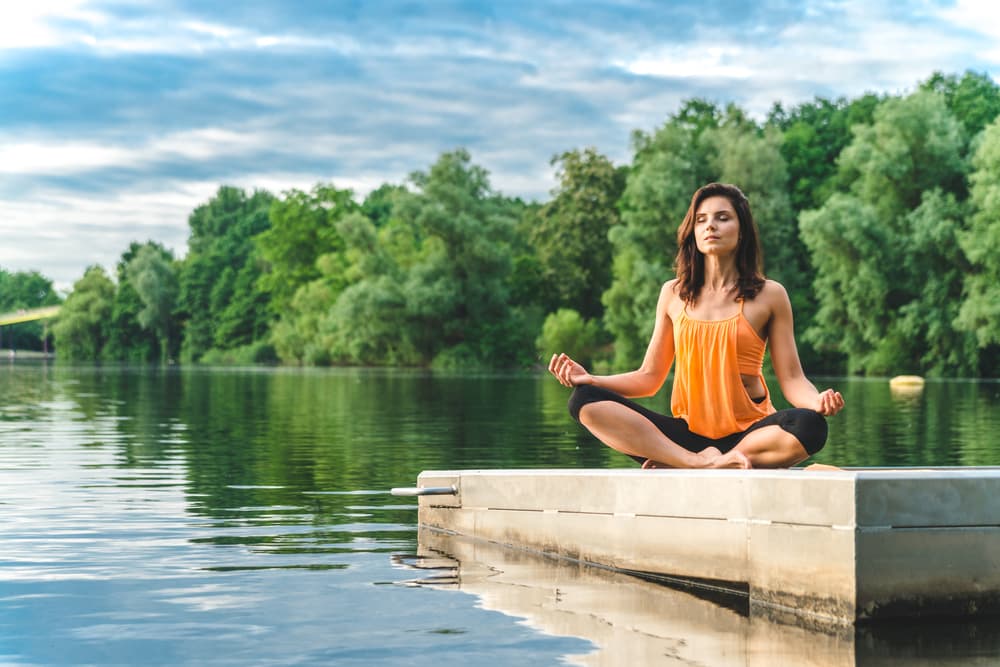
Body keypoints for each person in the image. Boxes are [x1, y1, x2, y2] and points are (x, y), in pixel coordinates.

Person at [548, 182, 844, 469]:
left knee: (810, 426)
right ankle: (697, 462)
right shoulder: (672, 293)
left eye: (722, 218)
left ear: (742, 231)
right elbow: (649, 377)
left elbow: (792, 378)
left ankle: (711, 460)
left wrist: (816, 401)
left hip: (752, 436)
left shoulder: (770, 295)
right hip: (688, 440)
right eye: (701, 220)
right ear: (693, 232)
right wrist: (593, 380)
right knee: (584, 400)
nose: (709, 226)